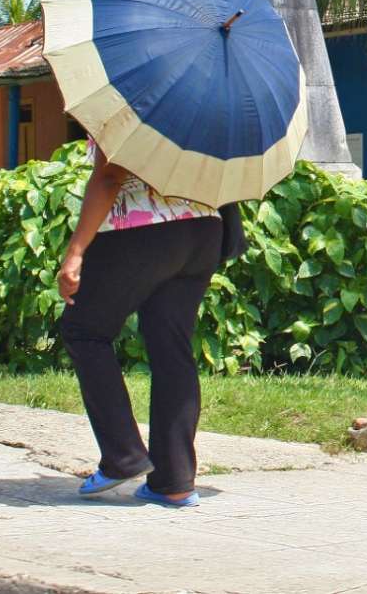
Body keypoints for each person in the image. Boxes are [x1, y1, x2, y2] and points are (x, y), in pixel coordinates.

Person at [58, 137, 225, 508]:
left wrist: (75, 253)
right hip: (205, 229)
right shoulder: (197, 103)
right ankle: (174, 481)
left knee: (83, 329)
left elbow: (109, 176)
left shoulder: (127, 94)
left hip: (144, 226)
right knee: (171, 346)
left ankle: (123, 455)